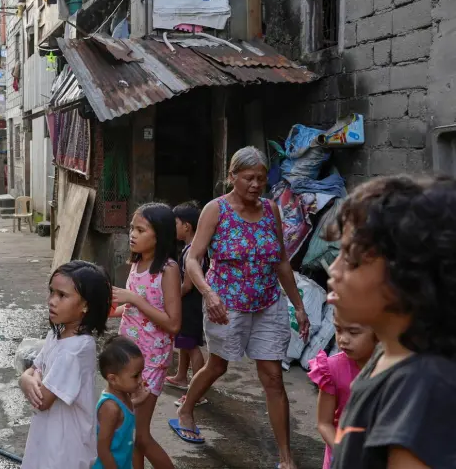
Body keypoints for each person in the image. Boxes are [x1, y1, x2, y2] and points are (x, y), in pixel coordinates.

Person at [171, 146, 309, 469]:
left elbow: (282, 262)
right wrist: (208, 293)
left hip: (267, 304)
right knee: (218, 366)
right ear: (232, 177)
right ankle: (186, 408)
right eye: (248, 178)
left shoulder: (271, 210)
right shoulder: (215, 210)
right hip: (225, 305)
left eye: (261, 178)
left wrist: (298, 306)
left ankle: (286, 458)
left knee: (273, 376)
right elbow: (193, 258)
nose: (255, 184)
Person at [325, 175, 456, 469]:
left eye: (352, 259)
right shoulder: (387, 353)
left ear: (407, 275)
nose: (333, 270)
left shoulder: (424, 390)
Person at [19, 261, 112, 469]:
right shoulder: (56, 334)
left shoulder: (74, 351)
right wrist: (26, 378)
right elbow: (35, 367)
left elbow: (42, 400)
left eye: (62, 295)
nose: (52, 301)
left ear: (86, 305)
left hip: (65, 448)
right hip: (49, 436)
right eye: (51, 292)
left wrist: (27, 380)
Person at [114, 203, 180, 469]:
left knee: (140, 436)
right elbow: (131, 308)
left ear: (159, 235)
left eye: (141, 229)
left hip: (151, 360)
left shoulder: (168, 269)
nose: (133, 234)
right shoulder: (138, 261)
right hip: (128, 355)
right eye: (132, 228)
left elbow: (174, 324)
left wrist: (133, 299)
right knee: (129, 434)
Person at [309, 310, 377, 469]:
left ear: (379, 332)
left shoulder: (392, 371)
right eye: (338, 330)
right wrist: (345, 453)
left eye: (353, 332)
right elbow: (324, 423)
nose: (343, 339)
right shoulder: (331, 369)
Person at [165, 201, 207, 400]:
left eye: (175, 223)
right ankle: (182, 376)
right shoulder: (189, 248)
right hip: (188, 303)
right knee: (184, 341)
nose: (172, 228)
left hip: (192, 304)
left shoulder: (192, 251)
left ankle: (196, 390)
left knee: (192, 346)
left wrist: (170, 298)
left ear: (186, 226)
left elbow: (188, 285)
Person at [94, 336, 148, 469]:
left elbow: (123, 413)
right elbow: (102, 449)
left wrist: (138, 400)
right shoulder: (110, 408)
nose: (141, 380)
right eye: (136, 376)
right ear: (113, 379)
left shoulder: (123, 396)